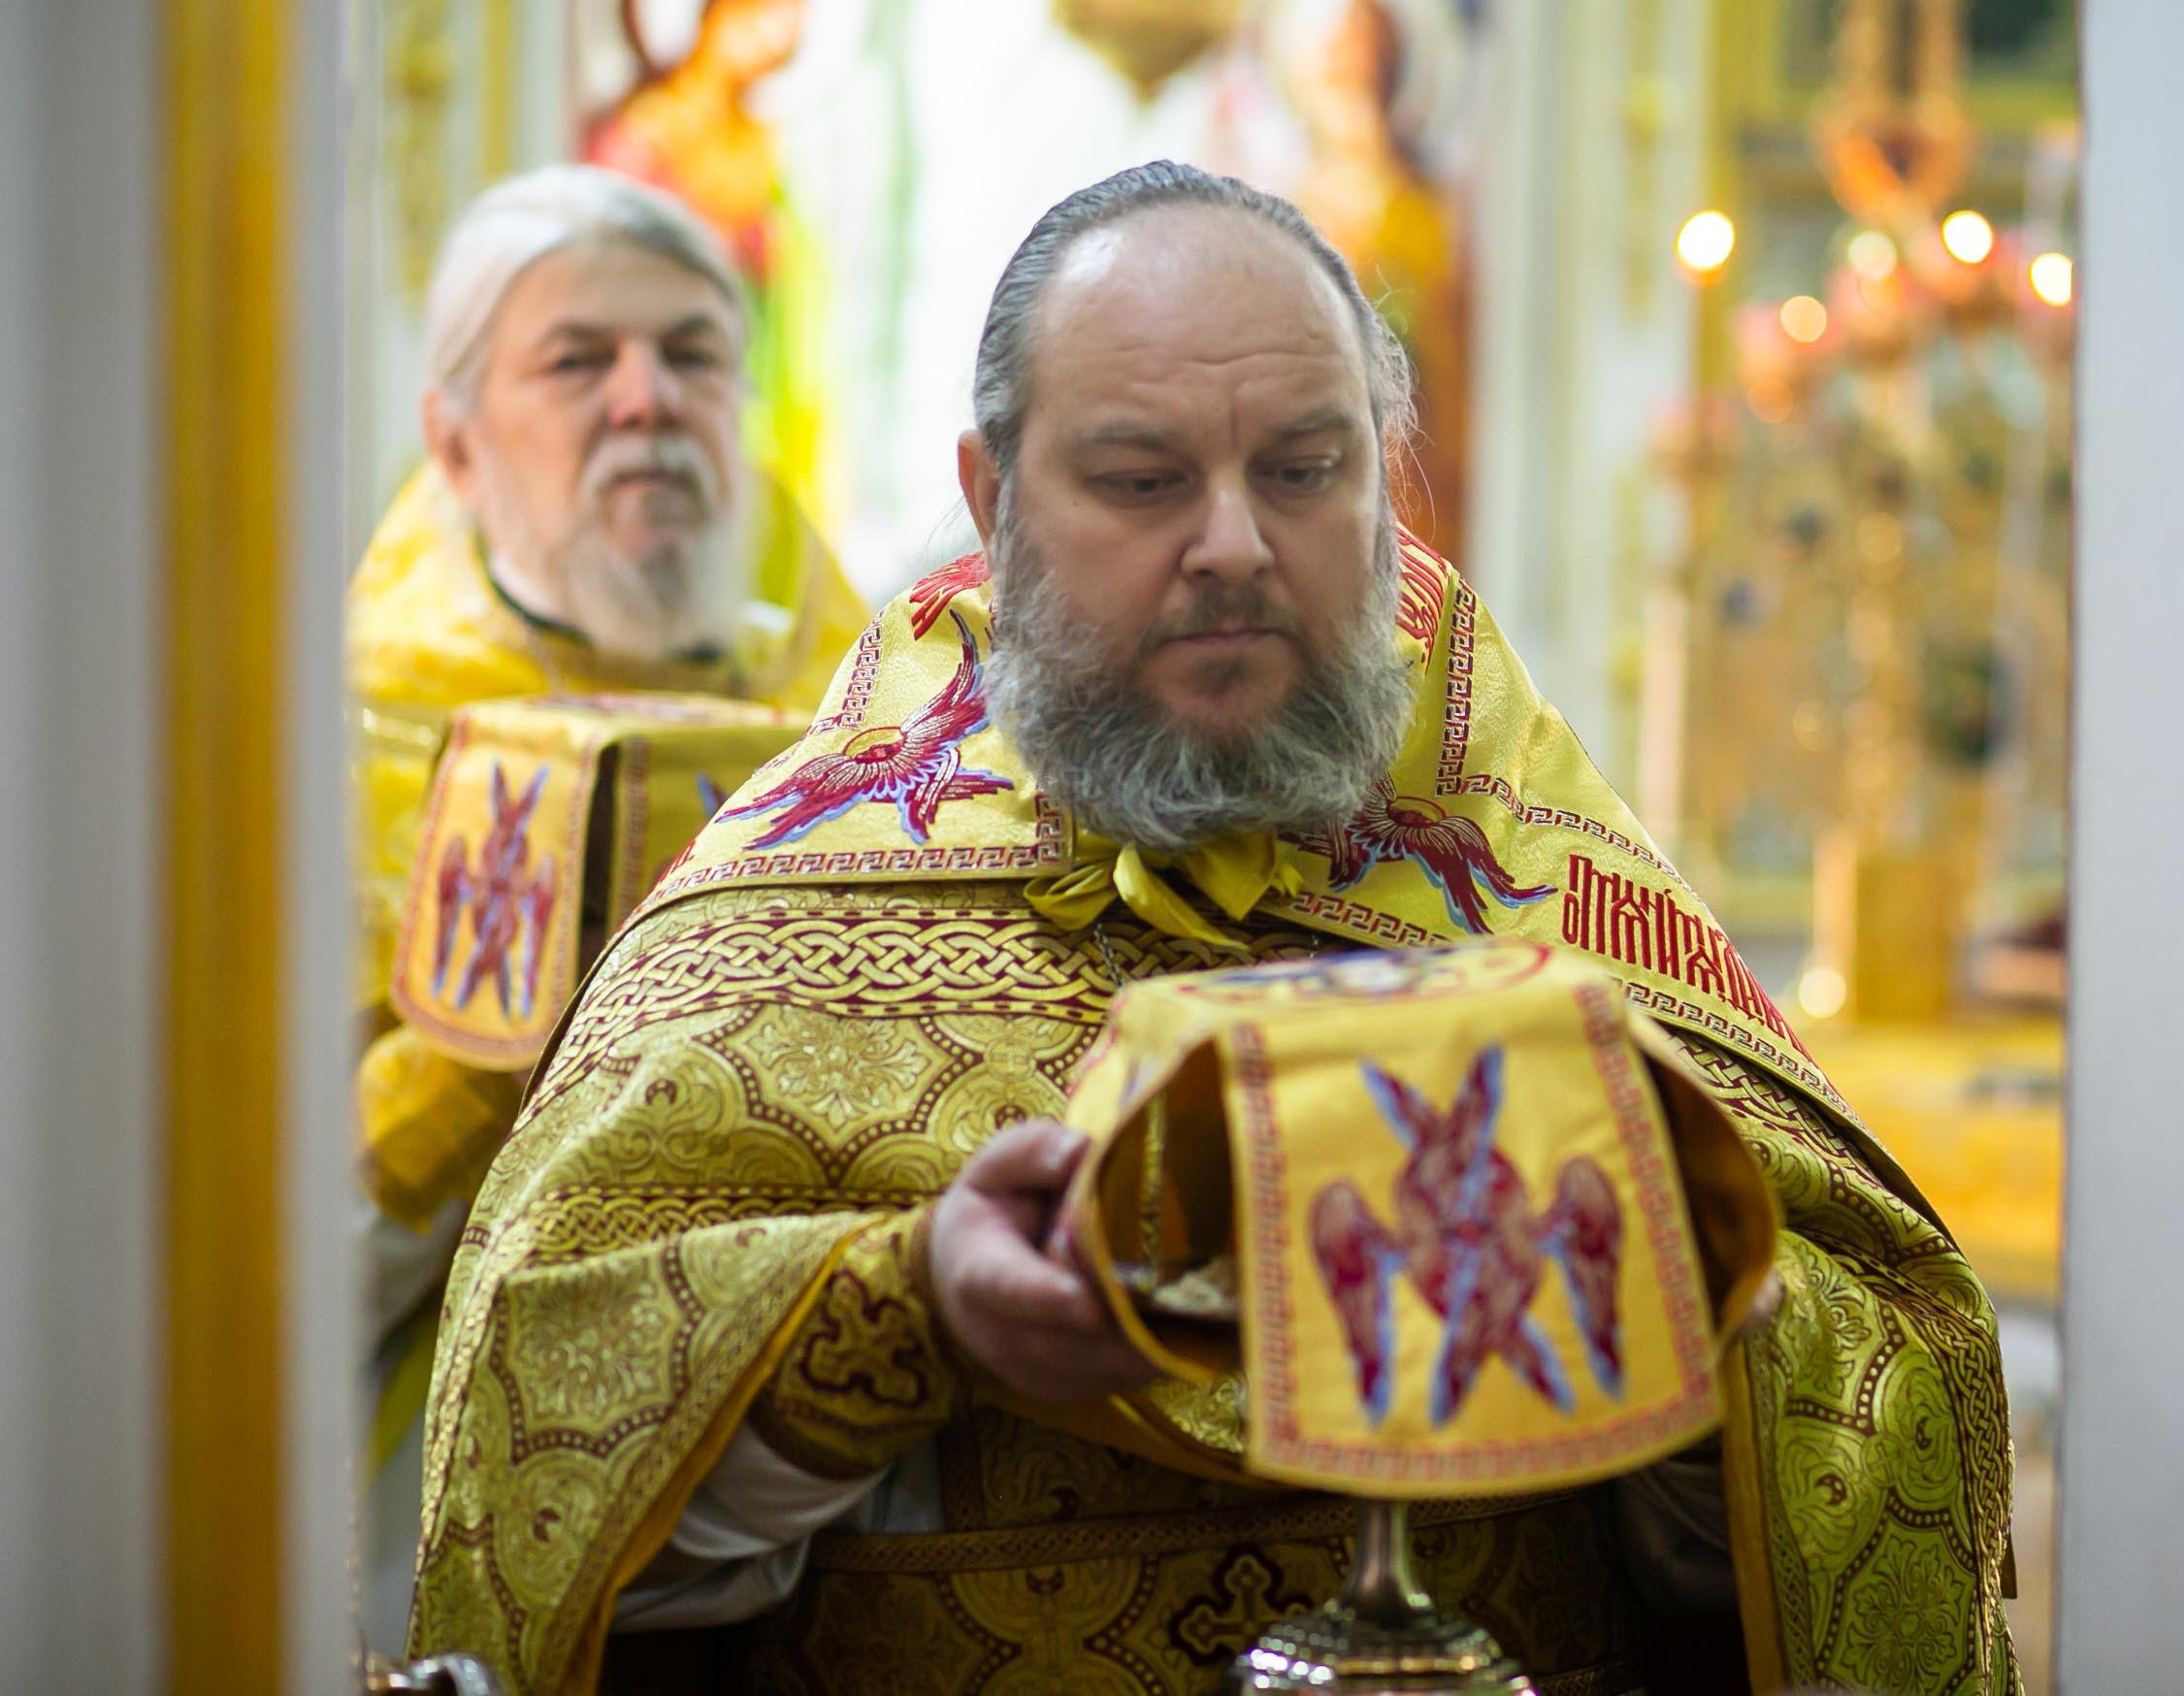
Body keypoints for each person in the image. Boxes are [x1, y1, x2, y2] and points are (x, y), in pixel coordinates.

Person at [407, 161, 2016, 1696]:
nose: (1235, 545)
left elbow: (1883, 1392)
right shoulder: (781, 916)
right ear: (993, 501)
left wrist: (1700, 1324)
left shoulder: (1540, 876)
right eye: (1141, 479)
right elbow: (544, 1463)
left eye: (1303, 472)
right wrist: (908, 1312)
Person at [347, 163, 868, 1652]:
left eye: (692, 352)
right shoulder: (333, 755)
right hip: (431, 1477)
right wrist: (471, 1062)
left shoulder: (866, 713)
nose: (646, 399)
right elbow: (225, 1275)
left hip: (821, 1475)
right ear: (455, 443)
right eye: (577, 359)